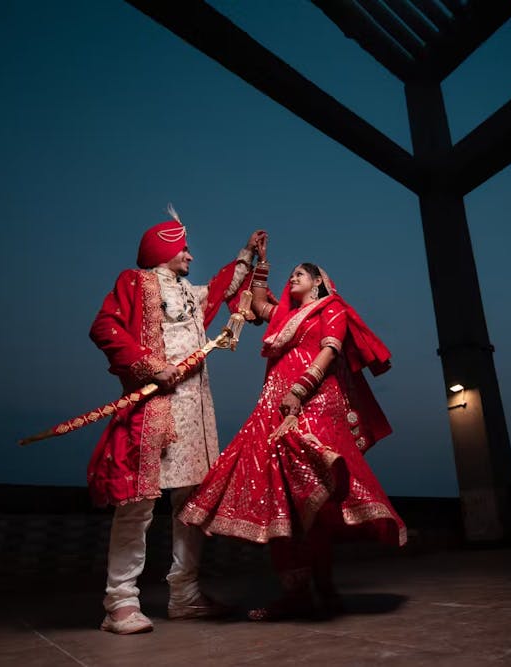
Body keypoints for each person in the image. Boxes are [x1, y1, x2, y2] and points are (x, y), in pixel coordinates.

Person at [178, 238, 406, 621]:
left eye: (299, 274)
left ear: (317, 282)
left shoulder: (331, 309)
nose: (293, 278)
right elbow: (259, 301)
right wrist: (261, 264)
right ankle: (298, 592)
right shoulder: (285, 319)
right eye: (291, 275)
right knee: (280, 498)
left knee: (312, 492)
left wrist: (300, 390)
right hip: (273, 403)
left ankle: (324, 584)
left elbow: (329, 351)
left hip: (314, 400)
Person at [87, 205, 265, 634]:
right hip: (153, 411)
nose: (189, 255)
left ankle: (184, 595)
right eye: (182, 248)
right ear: (162, 249)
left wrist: (247, 254)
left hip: (195, 416)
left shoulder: (188, 293)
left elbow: (223, 289)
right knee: (138, 505)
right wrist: (149, 365)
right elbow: (104, 326)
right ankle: (120, 602)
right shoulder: (135, 282)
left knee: (192, 506)